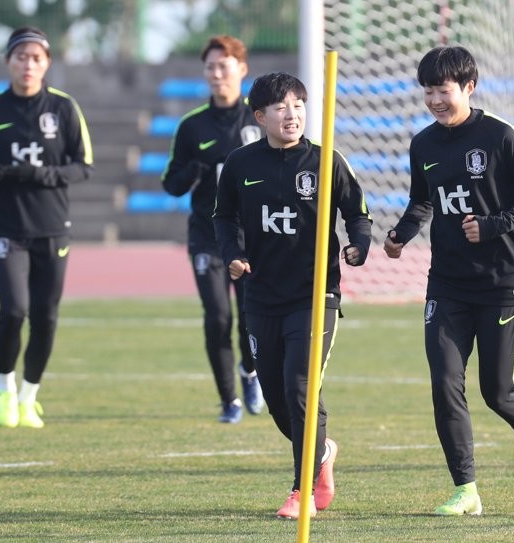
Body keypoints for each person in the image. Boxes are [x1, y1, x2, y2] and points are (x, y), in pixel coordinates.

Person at [383, 45, 514, 516]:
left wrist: (492, 225)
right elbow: (422, 200)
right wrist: (401, 234)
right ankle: (466, 489)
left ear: (469, 87)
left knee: (498, 392)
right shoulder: (423, 144)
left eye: (443, 90)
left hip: (503, 282)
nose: (435, 100)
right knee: (445, 383)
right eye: (428, 92)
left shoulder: (501, 135)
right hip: (447, 283)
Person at [212, 72, 371, 519]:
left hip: (315, 295)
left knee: (299, 388)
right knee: (278, 399)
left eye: (298, 105)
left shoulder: (327, 160)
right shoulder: (241, 164)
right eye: (281, 107)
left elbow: (357, 214)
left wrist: (358, 245)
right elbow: (223, 218)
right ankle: (322, 452)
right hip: (262, 295)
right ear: (260, 116)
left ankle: (301, 492)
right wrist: (233, 254)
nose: (292, 114)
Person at [0, 27, 93, 429]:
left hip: (52, 228)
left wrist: (43, 174)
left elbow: (83, 165)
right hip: (5, 229)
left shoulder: (63, 108)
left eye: (36, 58)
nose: (28, 65)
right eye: (21, 57)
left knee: (45, 316)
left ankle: (28, 396)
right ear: (8, 62)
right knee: (13, 310)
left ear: (47, 63)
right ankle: (4, 389)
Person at [161, 35, 264, 423]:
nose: (217, 73)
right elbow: (171, 184)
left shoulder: (259, 118)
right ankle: (228, 400)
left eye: (224, 66)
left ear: (242, 69)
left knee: (252, 317)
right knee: (217, 316)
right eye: (210, 67)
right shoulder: (192, 126)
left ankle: (250, 371)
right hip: (208, 236)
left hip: (254, 238)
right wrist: (194, 170)